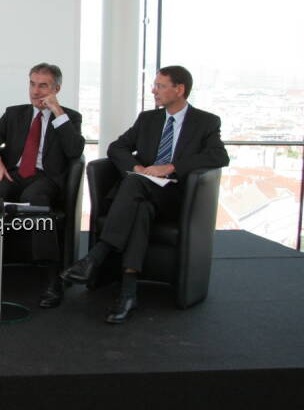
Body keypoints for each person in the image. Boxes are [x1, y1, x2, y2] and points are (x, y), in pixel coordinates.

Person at [61, 65, 229, 323]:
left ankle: (97, 255)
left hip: (177, 198)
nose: (154, 91)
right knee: (139, 207)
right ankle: (129, 293)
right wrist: (138, 168)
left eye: (160, 86)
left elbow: (219, 156)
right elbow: (117, 147)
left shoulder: (205, 122)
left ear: (179, 89)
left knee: (134, 185)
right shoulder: (148, 119)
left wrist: (171, 167)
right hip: (143, 195)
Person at [0, 63, 85, 307]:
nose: (35, 91)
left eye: (42, 85)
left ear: (56, 88)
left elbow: (74, 150)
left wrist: (56, 112)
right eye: (32, 83)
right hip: (13, 174)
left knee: (37, 200)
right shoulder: (14, 114)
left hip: (45, 178)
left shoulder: (69, 117)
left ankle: (50, 277)